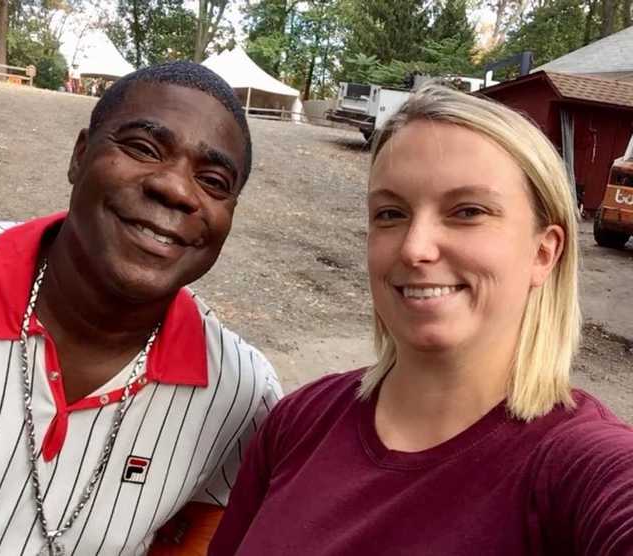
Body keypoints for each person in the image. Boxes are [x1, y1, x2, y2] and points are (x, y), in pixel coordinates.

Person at [209, 84, 633, 555]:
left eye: (467, 211)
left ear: (543, 251)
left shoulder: (581, 467)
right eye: (391, 214)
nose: (414, 248)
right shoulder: (299, 421)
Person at [0, 61, 281, 555]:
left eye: (214, 180)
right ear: (80, 155)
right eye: (143, 148)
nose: (175, 189)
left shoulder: (240, 394)